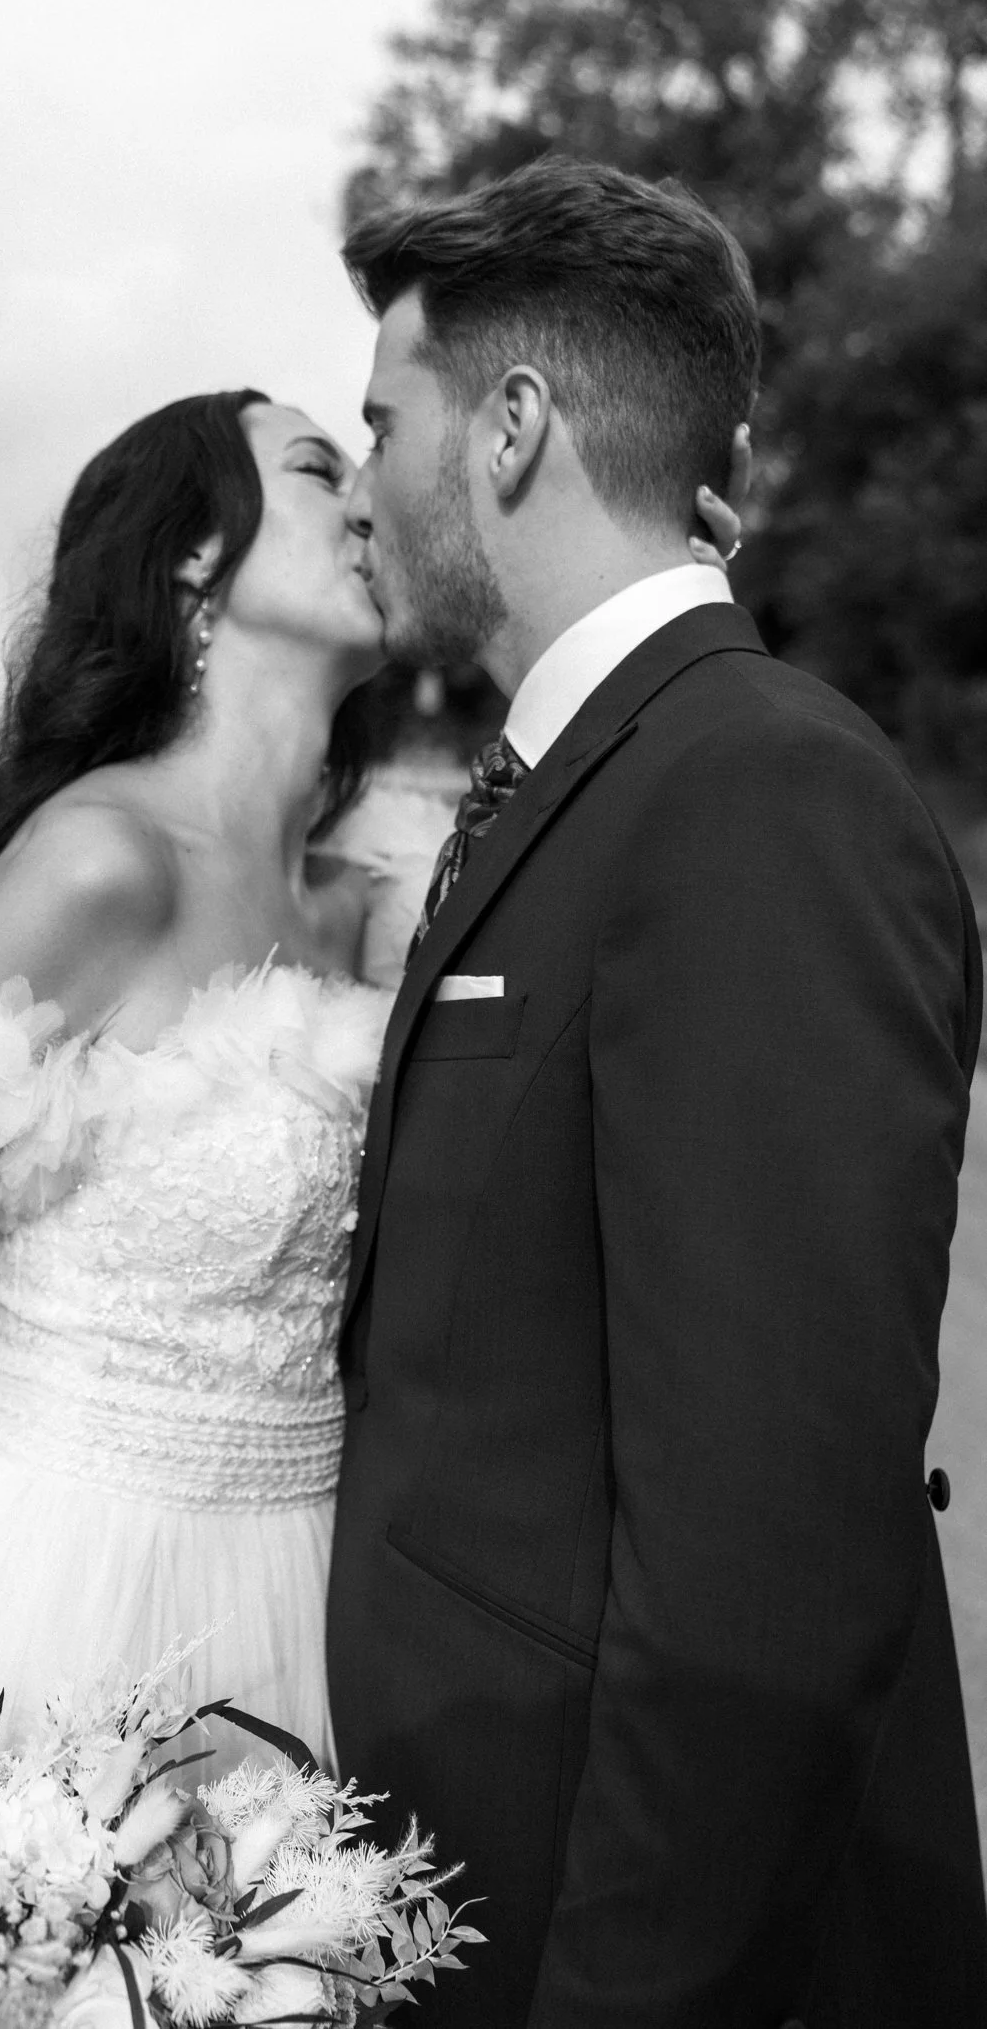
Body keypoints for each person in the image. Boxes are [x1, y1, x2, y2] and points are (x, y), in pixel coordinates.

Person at [0, 386, 740, 2027]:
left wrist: (662, 577)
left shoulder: (389, 898)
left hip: (321, 1622)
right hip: (58, 1616)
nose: (374, 493)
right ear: (194, 562)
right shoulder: (97, 866)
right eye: (322, 463)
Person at [325, 153, 987, 2027]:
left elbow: (766, 1572)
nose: (370, 476)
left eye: (390, 420)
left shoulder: (761, 794)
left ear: (513, 426)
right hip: (466, 1880)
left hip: (616, 1937)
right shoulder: (596, 772)